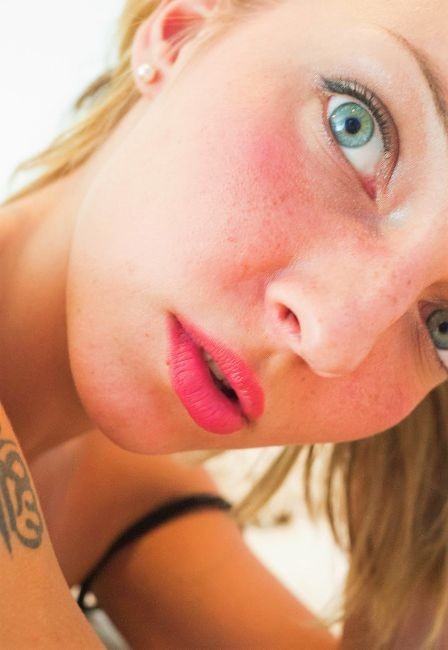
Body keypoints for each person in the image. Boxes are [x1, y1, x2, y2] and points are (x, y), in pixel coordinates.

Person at [1, 0, 448, 647]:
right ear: (180, 33)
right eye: (355, 126)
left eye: (443, 327)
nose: (334, 338)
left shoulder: (110, 487)